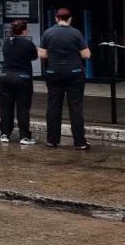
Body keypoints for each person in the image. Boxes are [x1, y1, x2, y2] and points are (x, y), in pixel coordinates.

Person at [39, 8, 92, 150]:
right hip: (74, 72)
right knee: (75, 107)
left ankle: (52, 140)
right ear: (70, 19)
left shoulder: (48, 33)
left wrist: (55, 55)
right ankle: (80, 142)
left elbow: (42, 54)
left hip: (53, 72)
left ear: (56, 18)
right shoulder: (76, 33)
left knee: (53, 106)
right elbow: (86, 55)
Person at [0, 20, 38, 145]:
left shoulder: (6, 43)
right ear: (23, 31)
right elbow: (34, 56)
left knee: (6, 107)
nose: (28, 32)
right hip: (23, 78)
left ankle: (5, 134)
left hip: (5, 77)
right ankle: (24, 136)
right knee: (23, 108)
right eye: (27, 30)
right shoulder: (28, 44)